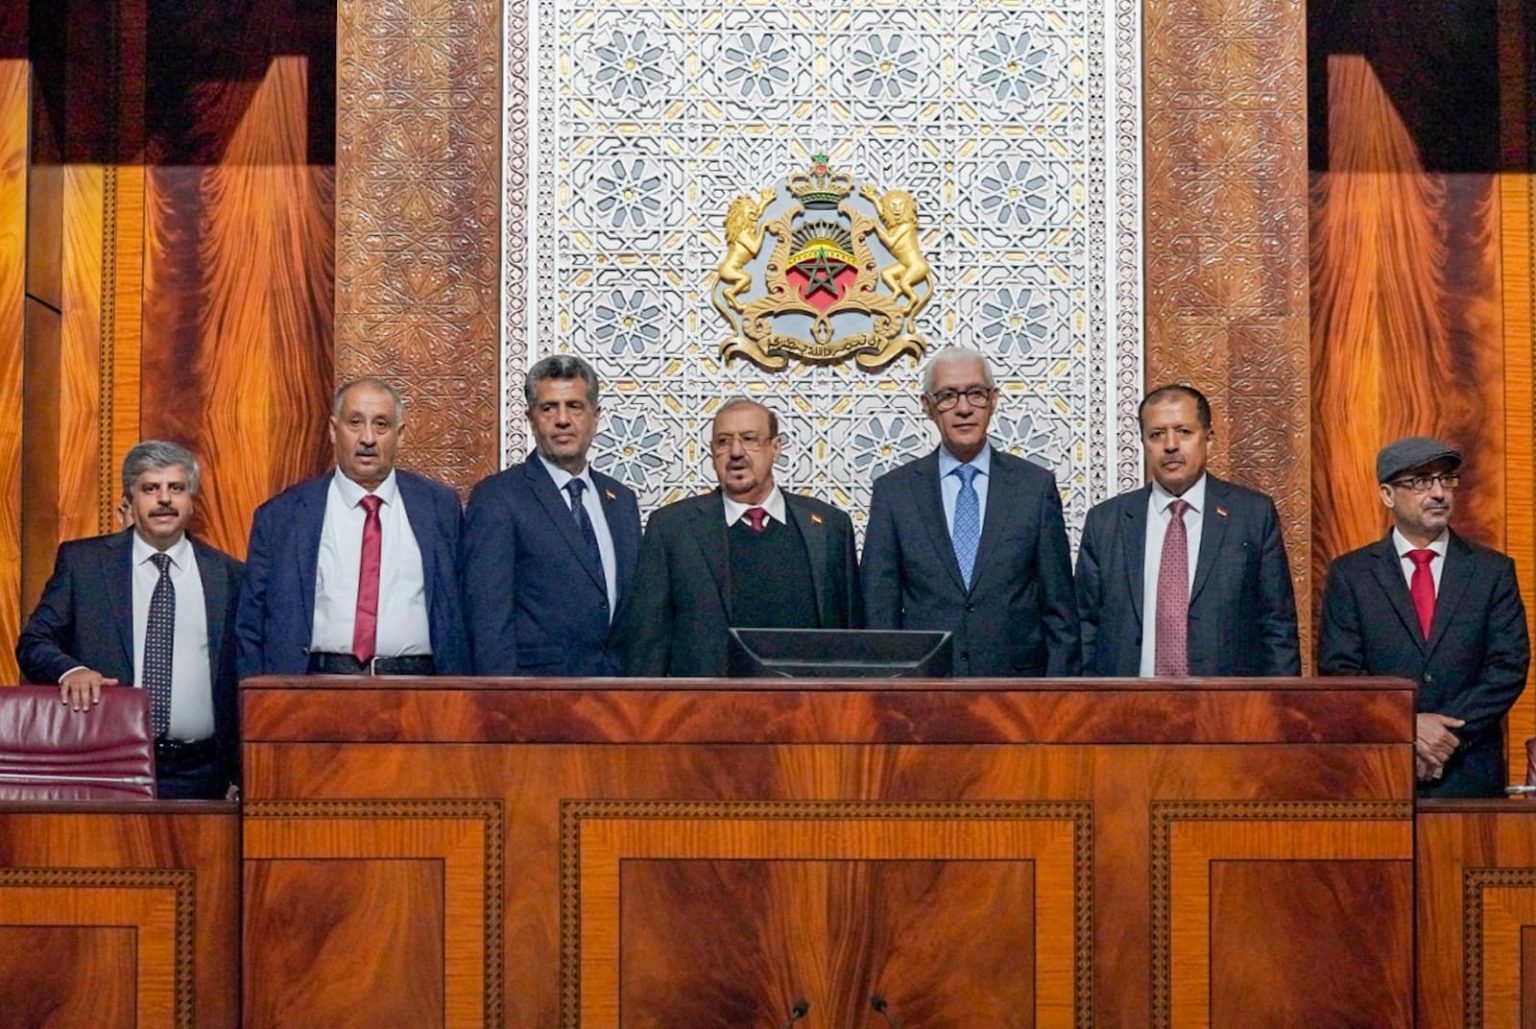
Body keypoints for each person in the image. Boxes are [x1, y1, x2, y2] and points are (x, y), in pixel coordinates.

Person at [16, 441, 243, 799]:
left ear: (191, 501)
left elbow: (245, 672)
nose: (164, 499)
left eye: (176, 488)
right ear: (129, 500)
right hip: (103, 763)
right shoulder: (84, 564)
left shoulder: (229, 575)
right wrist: (71, 671)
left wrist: (239, 771)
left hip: (201, 772)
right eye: (151, 488)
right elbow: (33, 643)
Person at [1319, 437, 1529, 796]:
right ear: (1387, 495)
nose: (1438, 493)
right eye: (1420, 481)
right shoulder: (1351, 574)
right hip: (1383, 769)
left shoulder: (1492, 571)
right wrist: (1409, 726)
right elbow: (1341, 672)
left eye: (1445, 479)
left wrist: (1445, 735)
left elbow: (1508, 667)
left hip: (1469, 770)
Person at [861, 347, 1079, 676]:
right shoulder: (894, 493)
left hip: (1017, 691)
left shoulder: (1034, 488)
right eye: (948, 396)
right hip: (925, 688)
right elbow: (880, 613)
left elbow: (1060, 612)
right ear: (927, 406)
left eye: (976, 393)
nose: (964, 408)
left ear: (993, 400)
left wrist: (1058, 699)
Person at [235, 377, 469, 677]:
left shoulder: (439, 507)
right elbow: (251, 625)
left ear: (400, 435)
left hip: (416, 689)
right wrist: (260, 698)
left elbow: (464, 608)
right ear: (334, 430)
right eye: (355, 423)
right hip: (315, 689)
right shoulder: (282, 515)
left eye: (381, 425)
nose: (368, 438)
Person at [621, 397, 860, 677]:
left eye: (749, 439)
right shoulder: (672, 529)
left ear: (775, 448)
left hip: (809, 702)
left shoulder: (830, 527)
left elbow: (852, 641)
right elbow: (648, 645)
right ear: (712, 452)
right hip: (708, 702)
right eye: (723, 441)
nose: (736, 452)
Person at [1074, 384, 1299, 676]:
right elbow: (1084, 628)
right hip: (1128, 699)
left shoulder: (1252, 516)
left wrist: (1277, 702)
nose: (1170, 445)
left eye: (1183, 432)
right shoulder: (1106, 522)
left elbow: (1278, 626)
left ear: (1209, 438)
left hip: (1225, 700)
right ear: (1143, 442)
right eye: (1157, 434)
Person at [462, 355, 641, 675]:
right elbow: (488, 621)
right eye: (549, 408)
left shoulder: (621, 501)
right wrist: (501, 698)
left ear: (595, 416)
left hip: (618, 693)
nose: (562, 420)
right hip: (537, 694)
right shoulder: (498, 498)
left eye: (575, 406)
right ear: (531, 419)